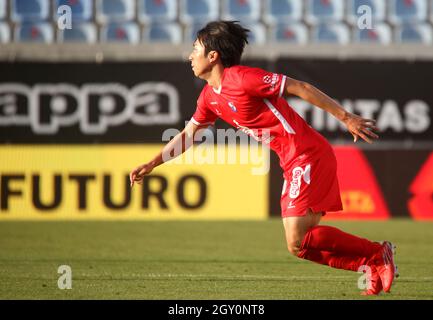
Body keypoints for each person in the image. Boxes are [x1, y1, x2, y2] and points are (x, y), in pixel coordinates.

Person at [129, 21, 397, 295]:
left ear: (213, 56)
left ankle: (377, 253)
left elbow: (300, 87)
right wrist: (152, 163)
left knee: (299, 236)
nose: (190, 56)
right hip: (291, 161)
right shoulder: (209, 97)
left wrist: (347, 118)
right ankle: (368, 263)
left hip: (307, 154)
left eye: (194, 49)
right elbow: (188, 135)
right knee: (297, 247)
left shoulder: (243, 78)